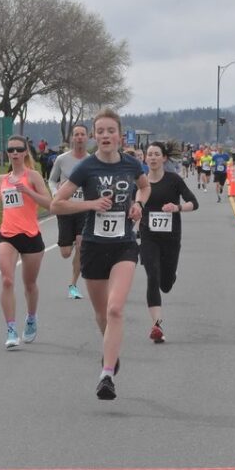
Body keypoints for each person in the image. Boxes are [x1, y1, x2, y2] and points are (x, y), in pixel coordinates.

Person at [50, 108, 150, 401]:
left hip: (124, 245)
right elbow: (57, 204)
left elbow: (144, 189)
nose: (105, 136)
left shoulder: (132, 165)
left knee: (115, 308)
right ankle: (111, 351)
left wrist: (139, 206)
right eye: (101, 131)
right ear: (95, 136)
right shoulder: (87, 168)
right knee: (101, 313)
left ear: (120, 135)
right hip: (93, 246)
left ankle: (106, 374)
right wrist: (91, 204)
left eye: (111, 131)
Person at [0, 134, 51, 349]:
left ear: (25, 152)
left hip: (31, 236)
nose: (14, 153)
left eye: (18, 149)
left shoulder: (33, 176)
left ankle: (31, 318)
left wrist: (29, 192)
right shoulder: (2, 179)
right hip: (8, 235)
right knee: (7, 280)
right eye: (10, 150)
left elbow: (49, 204)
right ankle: (11, 329)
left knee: (29, 284)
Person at [140, 141, 198, 344]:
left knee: (165, 284)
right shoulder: (140, 183)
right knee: (152, 276)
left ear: (164, 158)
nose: (153, 157)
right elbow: (131, 205)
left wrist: (177, 208)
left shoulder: (174, 180)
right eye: (150, 154)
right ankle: (157, 326)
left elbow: (194, 203)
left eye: (157, 154)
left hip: (171, 238)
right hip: (148, 237)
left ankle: (171, 275)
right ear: (145, 159)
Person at [48, 123, 90, 300]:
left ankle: (73, 284)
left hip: (83, 208)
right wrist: (56, 193)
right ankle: (71, 241)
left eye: (82, 134)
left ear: (87, 138)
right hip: (65, 208)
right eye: (76, 134)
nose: (79, 137)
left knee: (81, 244)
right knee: (65, 253)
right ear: (72, 138)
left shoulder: (92, 160)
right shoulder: (62, 159)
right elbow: (51, 180)